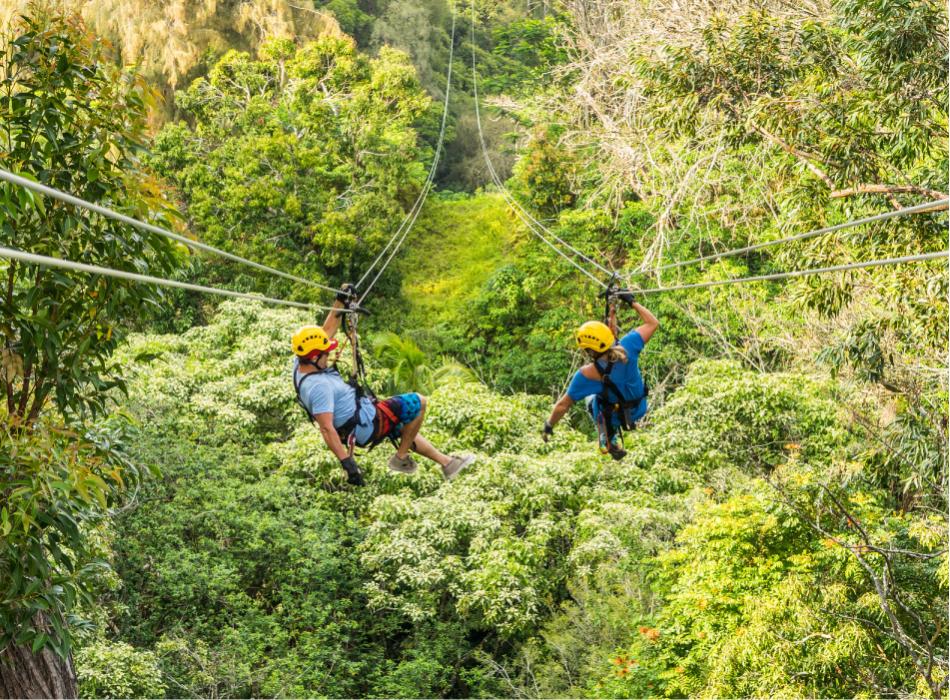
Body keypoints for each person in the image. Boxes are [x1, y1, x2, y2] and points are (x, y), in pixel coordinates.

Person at [291, 285, 475, 486]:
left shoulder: (301, 364)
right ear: (315, 357)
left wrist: (340, 300)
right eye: (326, 353)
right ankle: (400, 458)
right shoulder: (318, 387)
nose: (329, 355)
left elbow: (326, 332)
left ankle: (447, 463)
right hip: (366, 424)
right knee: (419, 402)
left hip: (364, 415)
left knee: (406, 427)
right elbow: (326, 428)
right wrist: (347, 463)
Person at [541, 293, 658, 460]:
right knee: (605, 390)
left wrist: (549, 425)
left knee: (591, 398)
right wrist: (632, 302)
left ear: (590, 351)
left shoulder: (587, 375)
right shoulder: (629, 346)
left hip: (617, 417)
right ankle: (610, 436)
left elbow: (563, 405)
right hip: (639, 408)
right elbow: (652, 323)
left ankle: (609, 438)